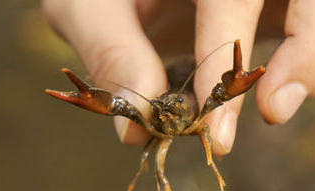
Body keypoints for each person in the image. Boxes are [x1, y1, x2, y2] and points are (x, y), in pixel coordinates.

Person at [42, 0, 314, 156]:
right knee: (150, 146)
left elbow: (207, 121)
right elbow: (126, 109)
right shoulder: (158, 117)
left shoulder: (199, 115)